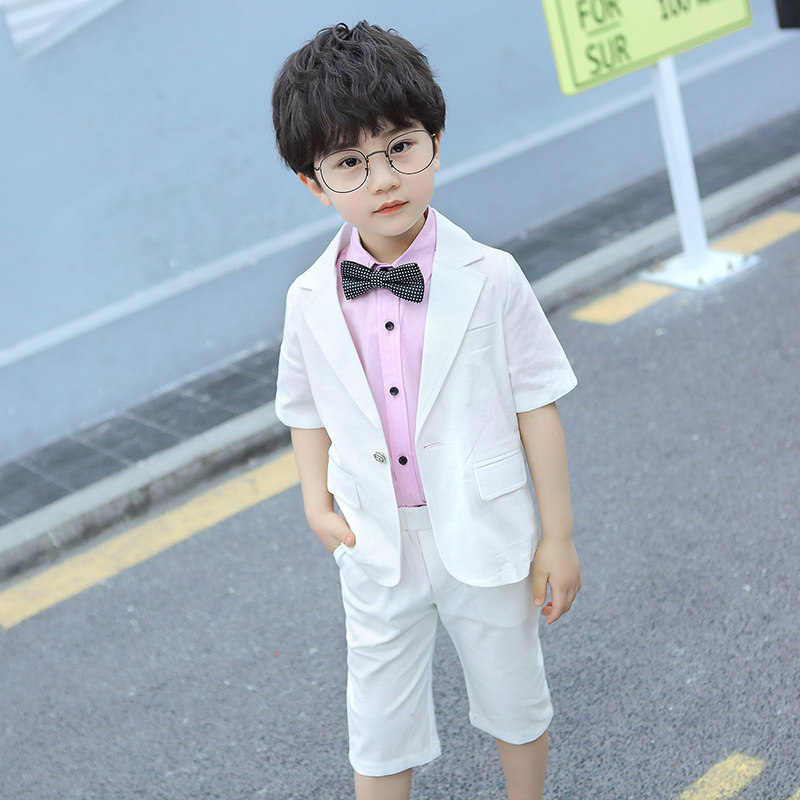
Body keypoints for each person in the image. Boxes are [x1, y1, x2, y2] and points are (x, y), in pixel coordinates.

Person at [272, 21, 581, 800]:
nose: (384, 179)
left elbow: (536, 404)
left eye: (401, 147)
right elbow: (304, 408)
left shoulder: (492, 276)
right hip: (375, 539)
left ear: (436, 144)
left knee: (514, 696)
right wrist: (316, 503)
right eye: (350, 162)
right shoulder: (308, 298)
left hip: (484, 525)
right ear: (313, 183)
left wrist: (559, 535)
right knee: (379, 722)